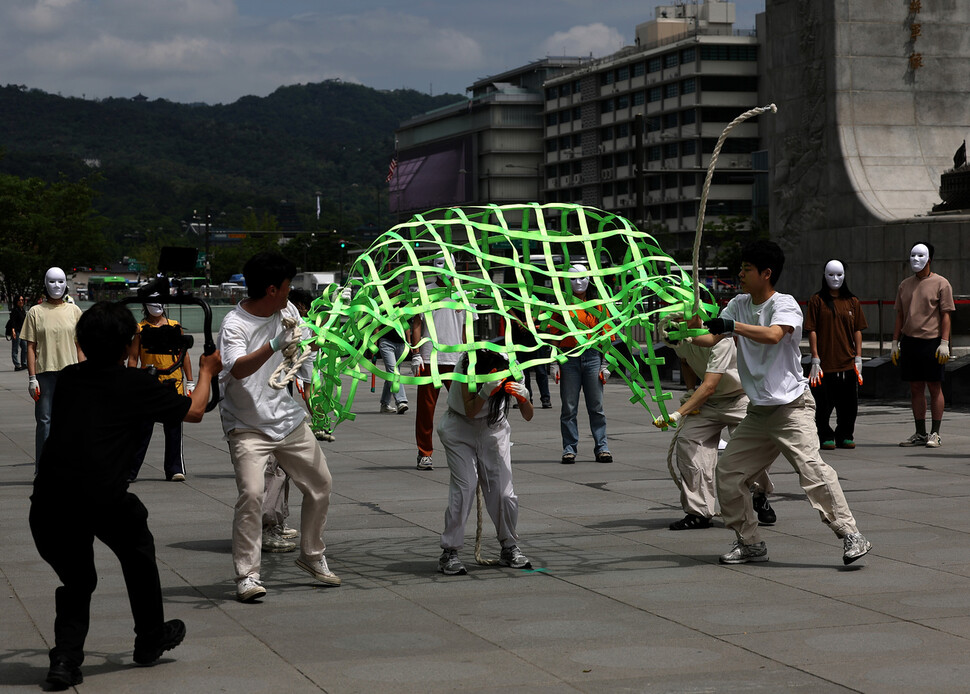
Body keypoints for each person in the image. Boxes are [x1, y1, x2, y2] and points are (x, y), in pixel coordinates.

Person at [29, 301, 222, 689]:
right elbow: (197, 410)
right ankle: (149, 637)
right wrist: (206, 370)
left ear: (81, 341)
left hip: (49, 502)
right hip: (102, 498)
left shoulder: (67, 379)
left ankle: (65, 660)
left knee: (78, 580)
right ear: (128, 344)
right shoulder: (136, 386)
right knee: (137, 552)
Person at [694, 240, 871, 566]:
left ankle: (850, 534)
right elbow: (711, 336)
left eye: (746, 269)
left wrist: (731, 326)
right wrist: (680, 333)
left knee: (813, 470)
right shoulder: (738, 303)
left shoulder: (785, 304)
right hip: (758, 412)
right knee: (728, 473)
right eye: (742, 268)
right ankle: (749, 543)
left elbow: (773, 335)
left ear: (766, 273)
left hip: (792, 407)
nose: (740, 274)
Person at [218, 252, 340, 602]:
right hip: (246, 425)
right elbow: (237, 369)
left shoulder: (288, 311)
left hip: (286, 418)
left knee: (321, 484)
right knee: (253, 495)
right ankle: (247, 576)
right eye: (288, 286)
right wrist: (272, 345)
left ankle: (312, 555)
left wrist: (314, 345)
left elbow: (304, 355)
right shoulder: (234, 325)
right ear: (272, 289)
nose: (292, 292)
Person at [653, 314, 776, 530]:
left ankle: (759, 493)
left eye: (681, 315)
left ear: (696, 314)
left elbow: (710, 384)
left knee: (749, 448)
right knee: (688, 441)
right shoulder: (678, 336)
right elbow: (686, 363)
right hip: (708, 402)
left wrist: (677, 414)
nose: (675, 320)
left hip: (739, 397)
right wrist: (690, 390)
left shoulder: (721, 338)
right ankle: (699, 512)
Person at [437, 348, 534, 575]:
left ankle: (509, 546)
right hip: (459, 428)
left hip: (494, 429)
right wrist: (483, 392)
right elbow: (470, 411)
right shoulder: (467, 364)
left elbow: (528, 415)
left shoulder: (512, 366)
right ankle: (449, 552)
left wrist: (524, 397)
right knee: (465, 488)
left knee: (503, 493)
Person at [892, 242, 955, 448]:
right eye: (912, 255)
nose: (915, 260)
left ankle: (935, 433)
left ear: (929, 259)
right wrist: (895, 342)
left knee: (934, 386)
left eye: (920, 256)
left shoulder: (941, 283)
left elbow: (946, 315)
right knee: (915, 387)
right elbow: (900, 315)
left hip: (932, 342)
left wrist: (944, 342)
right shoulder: (904, 285)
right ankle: (920, 432)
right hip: (910, 342)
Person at [550, 264, 613, 464]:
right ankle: (569, 449)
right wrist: (554, 362)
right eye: (573, 279)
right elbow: (553, 334)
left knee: (597, 406)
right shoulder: (562, 304)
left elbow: (607, 334)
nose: (578, 282)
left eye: (582, 278)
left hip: (593, 357)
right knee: (569, 408)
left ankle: (602, 447)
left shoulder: (598, 305)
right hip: (569, 357)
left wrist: (605, 363)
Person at [410, 253, 466, 471]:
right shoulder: (424, 291)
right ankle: (424, 453)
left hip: (456, 359)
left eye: (445, 263)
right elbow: (416, 323)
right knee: (426, 410)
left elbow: (466, 327)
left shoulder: (463, 292)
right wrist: (416, 353)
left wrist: (468, 354)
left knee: (463, 408)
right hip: (429, 357)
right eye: (437, 263)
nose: (441, 267)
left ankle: (463, 449)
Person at [127, 300, 194, 481]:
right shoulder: (140, 329)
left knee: (173, 428)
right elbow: (133, 357)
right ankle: (130, 470)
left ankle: (174, 468)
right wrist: (131, 382)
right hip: (148, 383)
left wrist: (190, 381)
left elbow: (184, 355)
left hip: (173, 382)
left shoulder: (175, 326)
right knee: (142, 429)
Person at [22, 267, 83, 465]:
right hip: (45, 373)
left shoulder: (74, 311)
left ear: (66, 283)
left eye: (60, 281)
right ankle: (44, 467)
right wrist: (32, 378)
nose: (56, 286)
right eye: (52, 281)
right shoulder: (35, 312)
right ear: (45, 283)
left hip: (71, 373)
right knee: (45, 422)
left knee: (71, 421)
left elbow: (79, 346)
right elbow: (30, 347)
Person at [804, 260, 868, 450]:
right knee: (822, 404)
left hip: (847, 362)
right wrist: (815, 357)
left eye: (839, 274)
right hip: (824, 364)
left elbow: (858, 329)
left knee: (849, 404)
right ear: (824, 275)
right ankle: (825, 435)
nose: (835, 278)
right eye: (831, 274)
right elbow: (812, 329)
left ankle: (845, 434)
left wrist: (858, 357)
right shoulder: (817, 300)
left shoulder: (852, 301)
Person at [378, 294, 410, 414]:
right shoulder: (383, 306)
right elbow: (377, 325)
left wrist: (409, 341)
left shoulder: (403, 305)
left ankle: (384, 404)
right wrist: (374, 344)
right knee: (393, 371)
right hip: (386, 343)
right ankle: (401, 401)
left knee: (391, 374)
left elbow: (406, 325)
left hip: (400, 343)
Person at [8, 294, 28, 370]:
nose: (21, 301)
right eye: (19, 300)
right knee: (15, 349)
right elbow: (12, 321)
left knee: (25, 348)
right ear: (16, 301)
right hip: (16, 331)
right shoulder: (14, 310)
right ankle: (17, 365)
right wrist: (13, 331)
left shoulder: (23, 310)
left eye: (22, 300)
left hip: (23, 332)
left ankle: (24, 363)